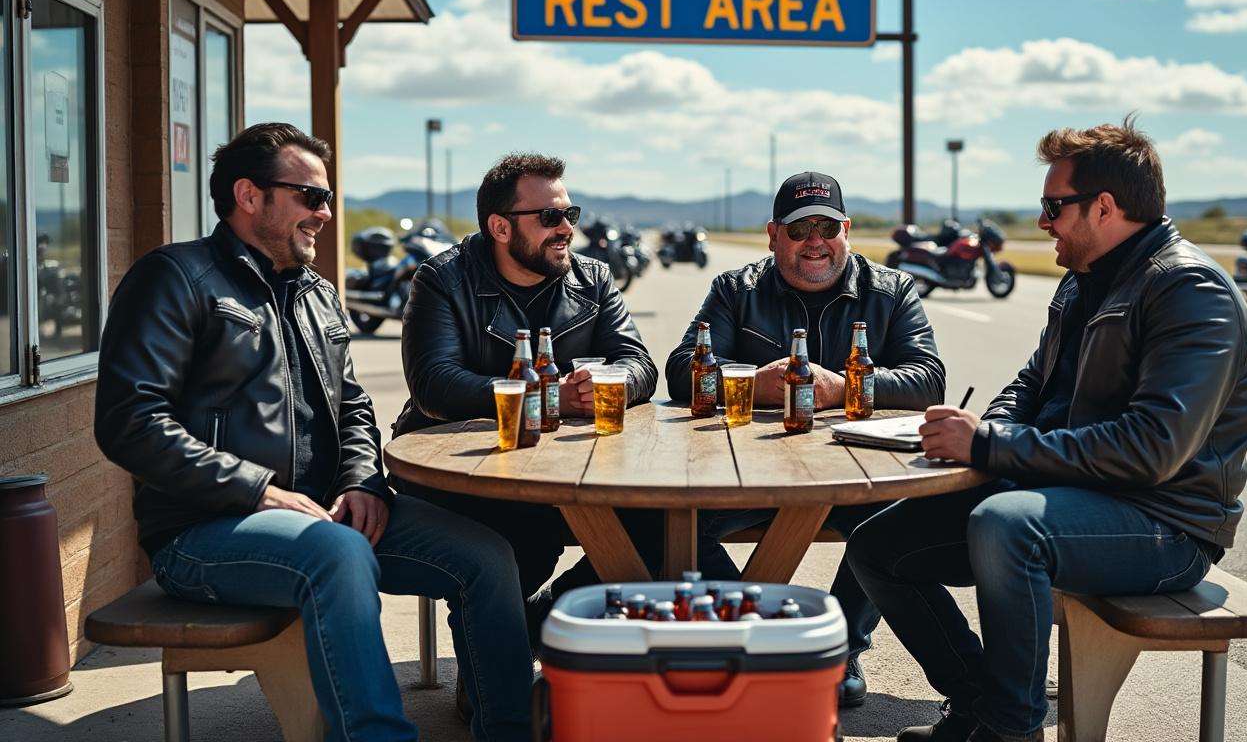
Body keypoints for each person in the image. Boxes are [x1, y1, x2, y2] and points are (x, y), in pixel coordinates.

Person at [94, 123, 533, 741]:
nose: (326, 213)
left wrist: (362, 483)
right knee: (337, 553)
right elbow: (129, 421)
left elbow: (353, 406)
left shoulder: (318, 293)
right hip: (203, 531)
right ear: (249, 195)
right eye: (311, 196)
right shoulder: (174, 277)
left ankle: (511, 729)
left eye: (327, 198)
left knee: (487, 557)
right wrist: (257, 491)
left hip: (327, 514)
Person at [846, 116, 1247, 742]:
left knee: (1008, 525)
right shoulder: (1084, 280)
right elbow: (1031, 383)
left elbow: (1152, 450)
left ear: (1104, 207)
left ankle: (1012, 731)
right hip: (1072, 493)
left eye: (1053, 207)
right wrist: (985, 433)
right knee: (878, 545)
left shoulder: (1188, 289)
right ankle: (978, 705)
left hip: (1166, 523)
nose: (1043, 223)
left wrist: (989, 445)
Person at [664, 171, 946, 706]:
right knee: (664, 522)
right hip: (748, 472)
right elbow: (682, 370)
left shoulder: (892, 289)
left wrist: (842, 386)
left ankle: (840, 648)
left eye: (827, 227)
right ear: (774, 235)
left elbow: (928, 378)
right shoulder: (735, 289)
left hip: (855, 475)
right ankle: (765, 634)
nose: (815, 241)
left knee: (895, 524)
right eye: (799, 229)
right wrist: (752, 382)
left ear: (847, 231)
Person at [391, 152, 662, 626]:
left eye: (570, 214)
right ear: (500, 227)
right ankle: (502, 653)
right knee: (524, 534)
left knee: (658, 526)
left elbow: (639, 363)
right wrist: (548, 396)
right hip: (461, 471)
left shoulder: (594, 278)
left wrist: (608, 383)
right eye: (550, 217)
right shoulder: (444, 279)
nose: (567, 228)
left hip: (569, 468)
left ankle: (535, 627)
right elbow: (434, 384)